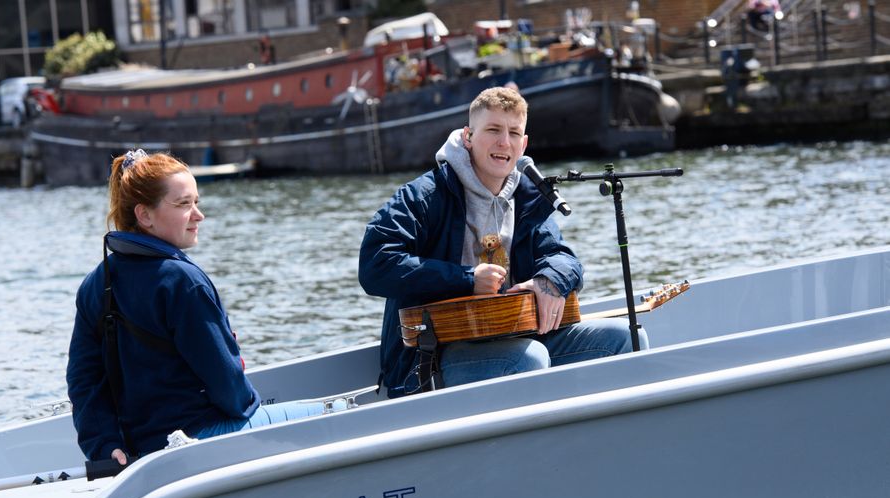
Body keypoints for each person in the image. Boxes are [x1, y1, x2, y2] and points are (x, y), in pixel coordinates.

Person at [358, 86, 644, 398]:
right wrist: (467, 280)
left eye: (513, 133)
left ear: (524, 144)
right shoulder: (423, 196)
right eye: (493, 130)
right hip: (433, 356)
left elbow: (562, 256)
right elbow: (375, 265)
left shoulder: (529, 196)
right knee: (528, 359)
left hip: (517, 335)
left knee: (626, 338)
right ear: (468, 136)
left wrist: (550, 280)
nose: (504, 142)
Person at [67, 149, 334, 463]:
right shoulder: (183, 281)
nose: (198, 215)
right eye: (184, 204)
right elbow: (231, 390)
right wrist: (250, 405)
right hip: (200, 439)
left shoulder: (95, 284)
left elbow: (84, 380)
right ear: (145, 215)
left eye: (196, 202)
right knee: (338, 414)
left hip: (142, 451)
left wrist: (103, 445)